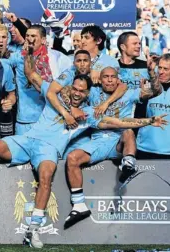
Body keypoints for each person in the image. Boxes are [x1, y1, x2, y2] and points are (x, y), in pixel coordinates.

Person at [0, 69, 166, 249]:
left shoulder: (89, 114)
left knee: (45, 178)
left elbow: (118, 123)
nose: (77, 93)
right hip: (27, 140)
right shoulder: (55, 99)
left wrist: (148, 120)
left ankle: (33, 230)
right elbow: (33, 75)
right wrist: (30, 50)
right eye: (75, 89)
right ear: (69, 87)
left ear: (88, 94)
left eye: (83, 91)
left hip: (49, 150)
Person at [64, 63, 162, 230]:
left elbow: (156, 91)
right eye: (105, 77)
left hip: (119, 142)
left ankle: (128, 164)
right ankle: (79, 205)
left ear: (118, 80)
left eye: (113, 77)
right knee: (72, 158)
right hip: (97, 141)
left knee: (129, 131)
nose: (109, 80)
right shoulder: (93, 92)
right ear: (100, 80)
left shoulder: (129, 93)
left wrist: (152, 73)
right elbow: (72, 91)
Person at [4, 25, 71, 134]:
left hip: (50, 118)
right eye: (27, 36)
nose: (29, 39)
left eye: (33, 36)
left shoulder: (57, 57)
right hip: (26, 120)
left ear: (43, 40)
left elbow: (71, 76)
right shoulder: (18, 57)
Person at [137, 54, 170, 159]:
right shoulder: (147, 86)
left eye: (166, 69)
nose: (161, 72)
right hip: (144, 147)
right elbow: (138, 116)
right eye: (160, 67)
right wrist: (141, 99)